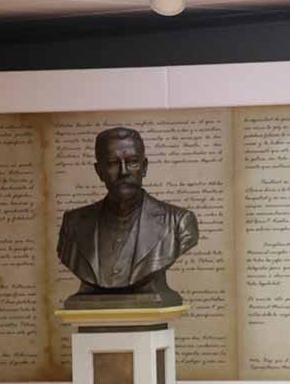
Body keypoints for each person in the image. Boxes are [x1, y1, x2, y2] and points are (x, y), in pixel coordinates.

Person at [57, 127, 198, 307]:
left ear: (144, 167)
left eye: (132, 162)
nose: (124, 171)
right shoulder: (73, 224)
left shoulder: (179, 222)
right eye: (113, 163)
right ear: (99, 171)